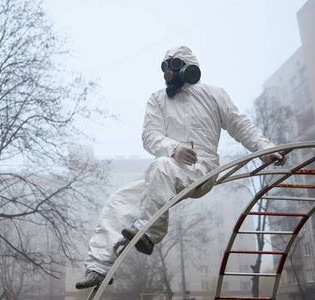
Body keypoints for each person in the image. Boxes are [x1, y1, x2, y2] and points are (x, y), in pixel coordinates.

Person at [75, 45, 286, 289]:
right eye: (165, 67)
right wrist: (173, 148)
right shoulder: (158, 99)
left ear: (189, 66)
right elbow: (149, 135)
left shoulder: (214, 95)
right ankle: (98, 267)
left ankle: (150, 233)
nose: (169, 72)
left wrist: (266, 149)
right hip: (167, 171)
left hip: (202, 168)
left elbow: (240, 125)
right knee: (119, 200)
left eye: (174, 65)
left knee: (161, 167)